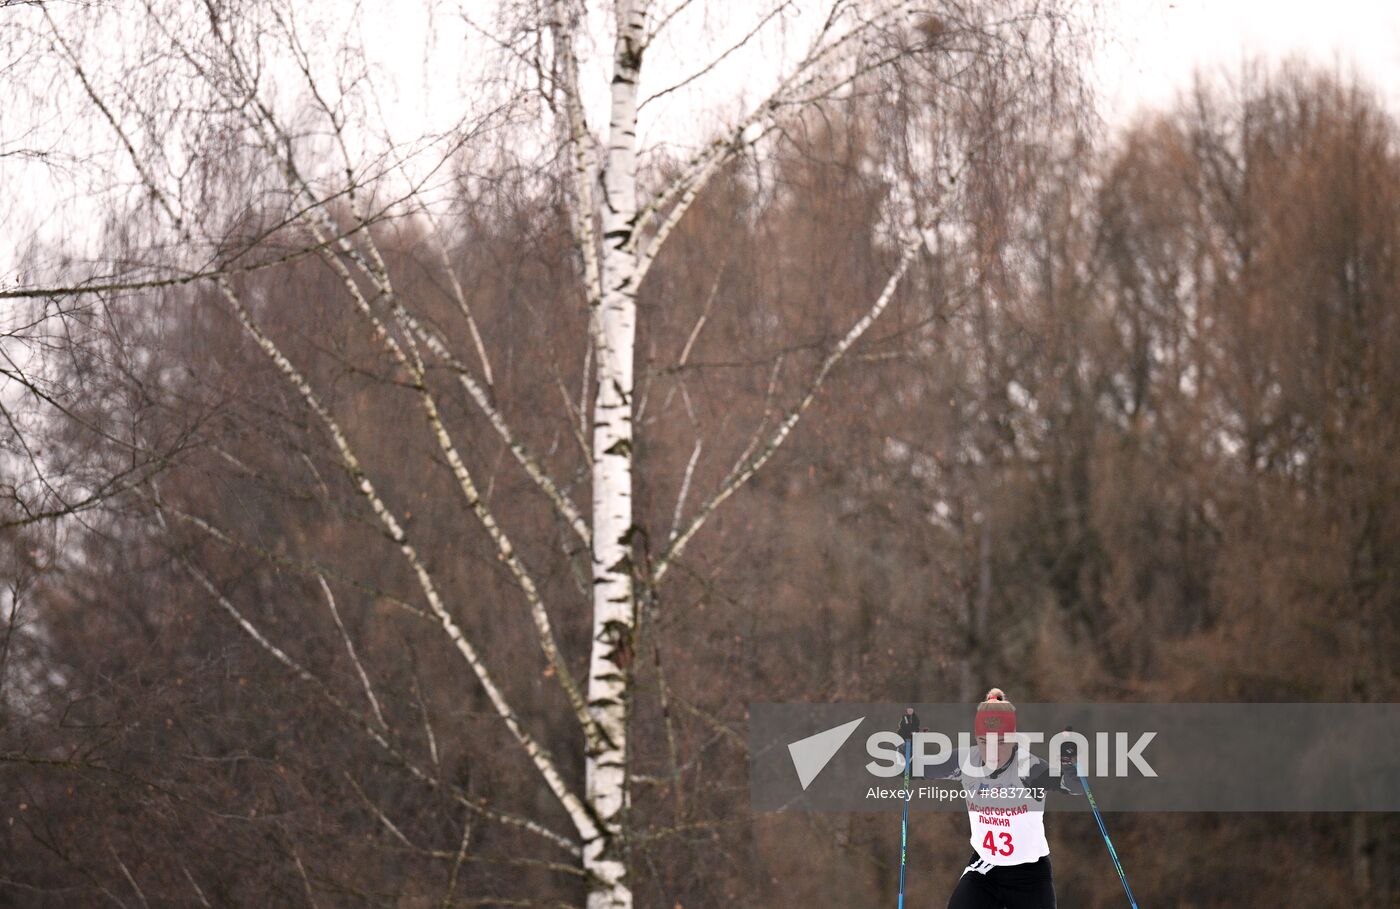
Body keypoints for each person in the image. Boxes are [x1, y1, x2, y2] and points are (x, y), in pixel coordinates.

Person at [910, 688, 1080, 909]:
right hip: (985, 870)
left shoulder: (1029, 767)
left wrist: (1069, 765)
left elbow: (1074, 787)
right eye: (983, 741)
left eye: (1000, 742)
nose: (991, 751)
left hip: (1029, 876)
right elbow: (907, 768)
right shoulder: (965, 761)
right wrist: (905, 747)